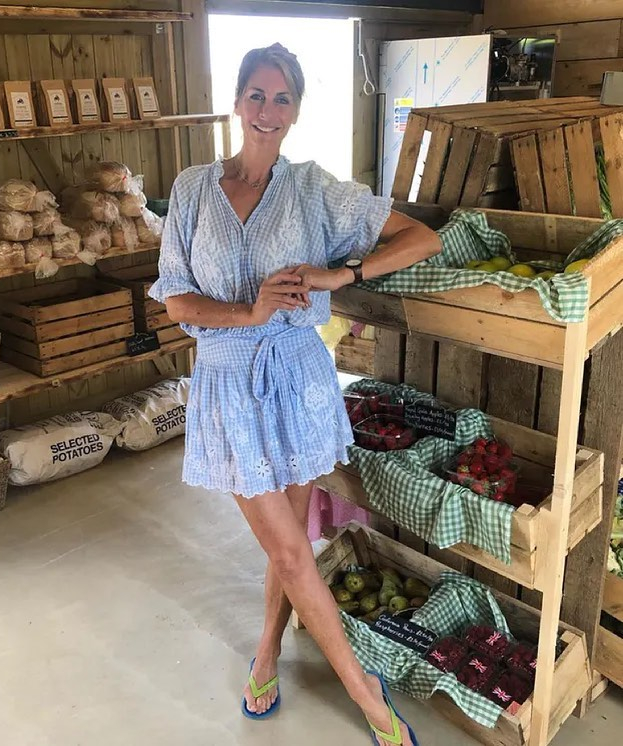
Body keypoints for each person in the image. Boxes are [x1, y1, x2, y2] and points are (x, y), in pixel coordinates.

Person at [149, 42, 441, 746]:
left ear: (297, 109)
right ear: (236, 100)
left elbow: (421, 237)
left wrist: (343, 276)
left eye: (282, 98)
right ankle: (366, 696)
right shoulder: (191, 188)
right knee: (287, 551)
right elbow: (174, 299)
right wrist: (247, 312)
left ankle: (266, 655)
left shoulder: (315, 189)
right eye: (256, 94)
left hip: (299, 382)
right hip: (228, 382)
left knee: (292, 547)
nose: (267, 110)